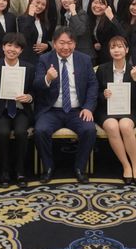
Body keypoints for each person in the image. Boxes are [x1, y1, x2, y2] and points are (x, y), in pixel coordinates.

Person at [33, 26, 99, 183]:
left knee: (89, 130)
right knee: (40, 130)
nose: (65, 47)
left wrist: (88, 107)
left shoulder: (84, 59)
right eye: (61, 43)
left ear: (75, 44)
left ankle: (79, 168)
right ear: (54, 43)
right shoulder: (45, 59)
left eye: (69, 43)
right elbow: (36, 85)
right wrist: (48, 78)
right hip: (52, 110)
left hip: (77, 110)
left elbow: (93, 85)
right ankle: (48, 167)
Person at [0, 33, 35, 187]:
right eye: (9, 45)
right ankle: (4, 171)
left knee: (21, 132)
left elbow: (34, 90)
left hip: (20, 110)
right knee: (3, 133)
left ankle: (20, 171)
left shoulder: (28, 68)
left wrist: (29, 97)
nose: (12, 49)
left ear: (21, 50)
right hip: (1, 111)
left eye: (17, 47)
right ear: (3, 47)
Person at [95, 36, 136, 185]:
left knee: (125, 126)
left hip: (128, 109)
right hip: (106, 110)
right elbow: (95, 93)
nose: (116, 50)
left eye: (120, 47)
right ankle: (126, 165)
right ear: (109, 51)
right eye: (113, 47)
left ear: (126, 50)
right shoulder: (102, 69)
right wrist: (103, 95)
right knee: (112, 126)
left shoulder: (134, 70)